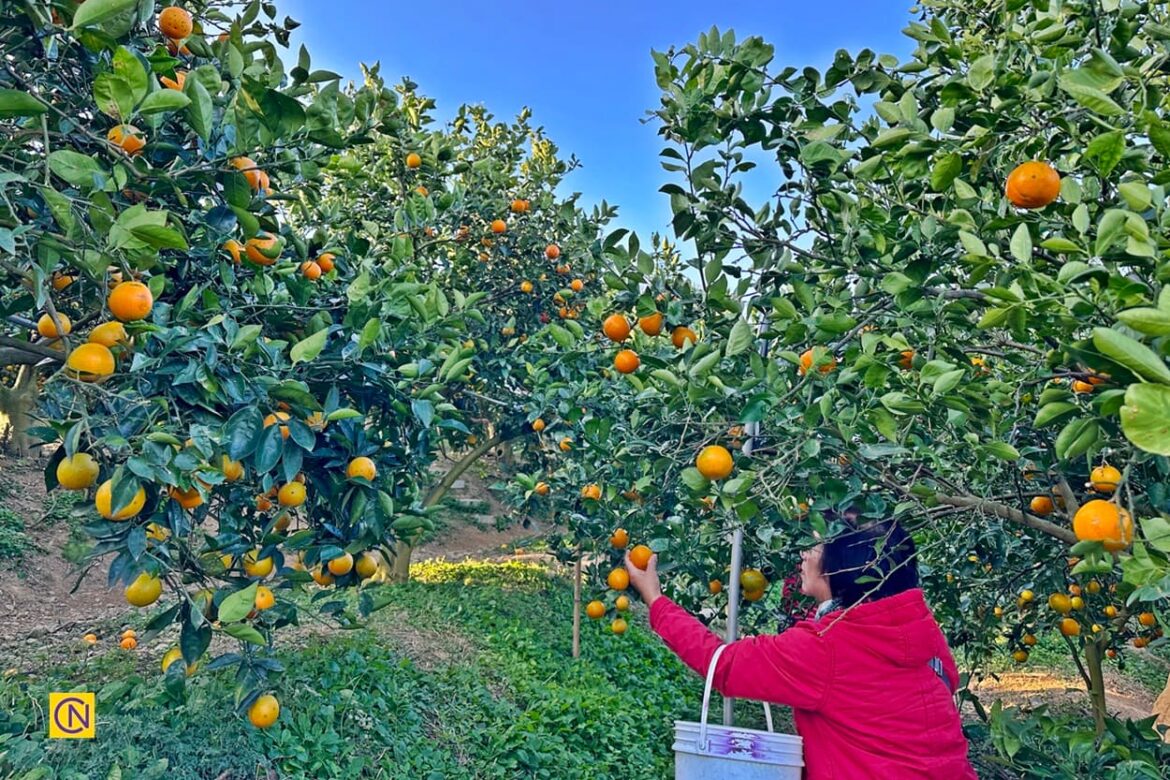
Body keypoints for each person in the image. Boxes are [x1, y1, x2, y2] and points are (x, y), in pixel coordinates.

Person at [626, 519, 977, 779]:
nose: (805, 555)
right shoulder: (919, 629)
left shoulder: (827, 646)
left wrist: (656, 601)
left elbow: (724, 666)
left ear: (839, 570)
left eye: (816, 548)